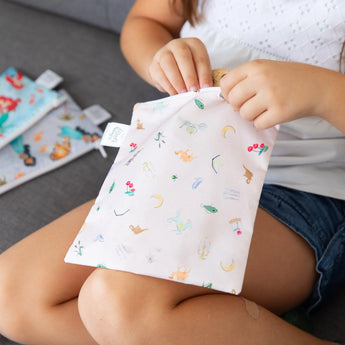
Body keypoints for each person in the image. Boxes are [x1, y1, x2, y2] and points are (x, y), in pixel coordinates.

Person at [0, 0, 344, 344]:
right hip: (190, 163)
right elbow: (146, 19)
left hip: (304, 192)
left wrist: (323, 92)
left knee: (120, 303)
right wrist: (160, 57)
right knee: (11, 298)